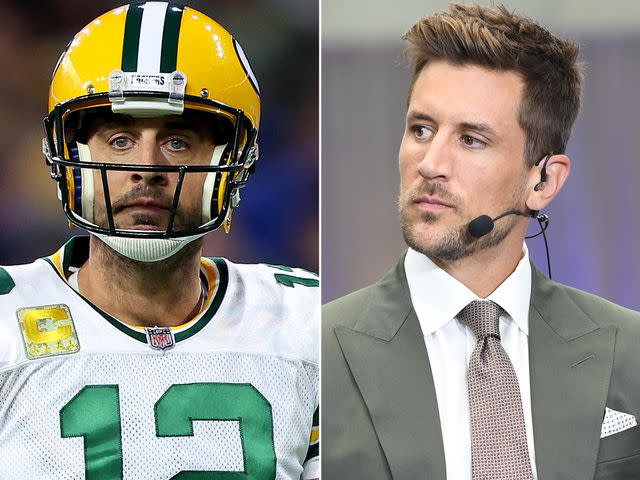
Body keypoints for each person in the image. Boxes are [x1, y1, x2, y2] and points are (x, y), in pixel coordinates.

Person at [0, 3, 319, 479]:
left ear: (230, 160)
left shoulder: (307, 321)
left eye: (177, 142)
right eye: (121, 139)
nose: (146, 168)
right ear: (71, 155)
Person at [322, 3, 640, 479]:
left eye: (471, 139)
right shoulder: (317, 350)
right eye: (421, 129)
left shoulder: (630, 349)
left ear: (544, 182)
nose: (430, 163)